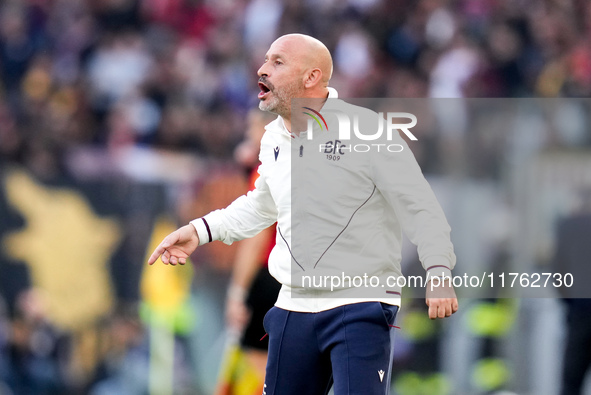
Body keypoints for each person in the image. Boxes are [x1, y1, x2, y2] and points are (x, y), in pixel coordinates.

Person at [148, 33, 458, 395]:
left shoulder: (369, 131)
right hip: (292, 305)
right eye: (265, 60)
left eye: (277, 62)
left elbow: (419, 205)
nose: (262, 70)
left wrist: (438, 268)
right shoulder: (273, 139)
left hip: (358, 304)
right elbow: (261, 204)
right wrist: (200, 231)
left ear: (312, 77)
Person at [553, 189, 591, 395]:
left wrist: (569, 303)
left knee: (571, 382)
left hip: (579, 312)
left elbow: (559, 272)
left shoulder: (569, 227)